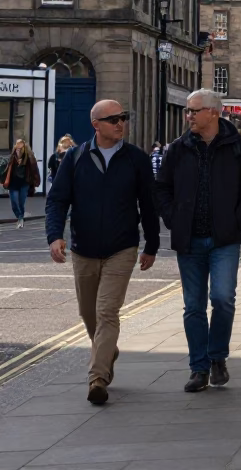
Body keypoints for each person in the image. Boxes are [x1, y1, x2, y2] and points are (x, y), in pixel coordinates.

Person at [45, 100, 158, 406]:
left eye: (123, 117)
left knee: (107, 312)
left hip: (122, 247)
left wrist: (152, 244)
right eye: (113, 119)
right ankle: (108, 351)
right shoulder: (75, 157)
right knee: (88, 313)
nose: (120, 123)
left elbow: (148, 204)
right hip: (83, 248)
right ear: (96, 125)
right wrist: (55, 236)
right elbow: (57, 200)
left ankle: (98, 378)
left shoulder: (136, 159)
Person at [155, 89, 241, 393]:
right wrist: (172, 218)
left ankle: (218, 357)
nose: (188, 115)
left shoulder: (239, 147)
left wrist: (235, 219)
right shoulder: (177, 149)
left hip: (224, 240)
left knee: (222, 298)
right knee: (193, 306)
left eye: (193, 110)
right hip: (189, 240)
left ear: (213, 113)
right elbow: (161, 189)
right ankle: (199, 368)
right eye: (188, 111)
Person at [2, 139, 40, 227]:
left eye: (20, 147)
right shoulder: (12, 157)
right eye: (17, 147)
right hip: (13, 184)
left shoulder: (28, 157)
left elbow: (34, 170)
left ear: (24, 148)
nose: (18, 149)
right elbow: (7, 169)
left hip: (24, 184)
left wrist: (36, 181)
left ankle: (20, 219)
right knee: (14, 204)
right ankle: (20, 217)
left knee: (21, 203)